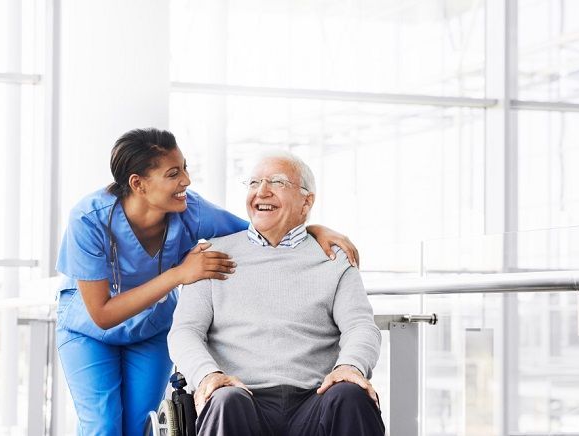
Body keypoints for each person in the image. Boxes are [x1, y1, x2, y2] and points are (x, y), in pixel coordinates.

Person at [55, 128, 360, 436]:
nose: (186, 180)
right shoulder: (89, 219)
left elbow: (263, 229)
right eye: (174, 173)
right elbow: (102, 315)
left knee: (139, 427)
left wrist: (314, 229)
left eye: (185, 168)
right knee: (102, 426)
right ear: (139, 184)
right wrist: (179, 274)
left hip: (149, 328)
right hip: (90, 331)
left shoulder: (191, 210)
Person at [168, 151, 385, 436]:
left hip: (315, 397)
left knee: (350, 394)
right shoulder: (211, 255)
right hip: (241, 396)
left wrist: (350, 366)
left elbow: (360, 326)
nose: (262, 191)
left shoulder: (334, 259)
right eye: (254, 182)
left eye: (277, 182)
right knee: (225, 399)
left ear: (306, 202)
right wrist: (209, 375)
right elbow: (184, 331)